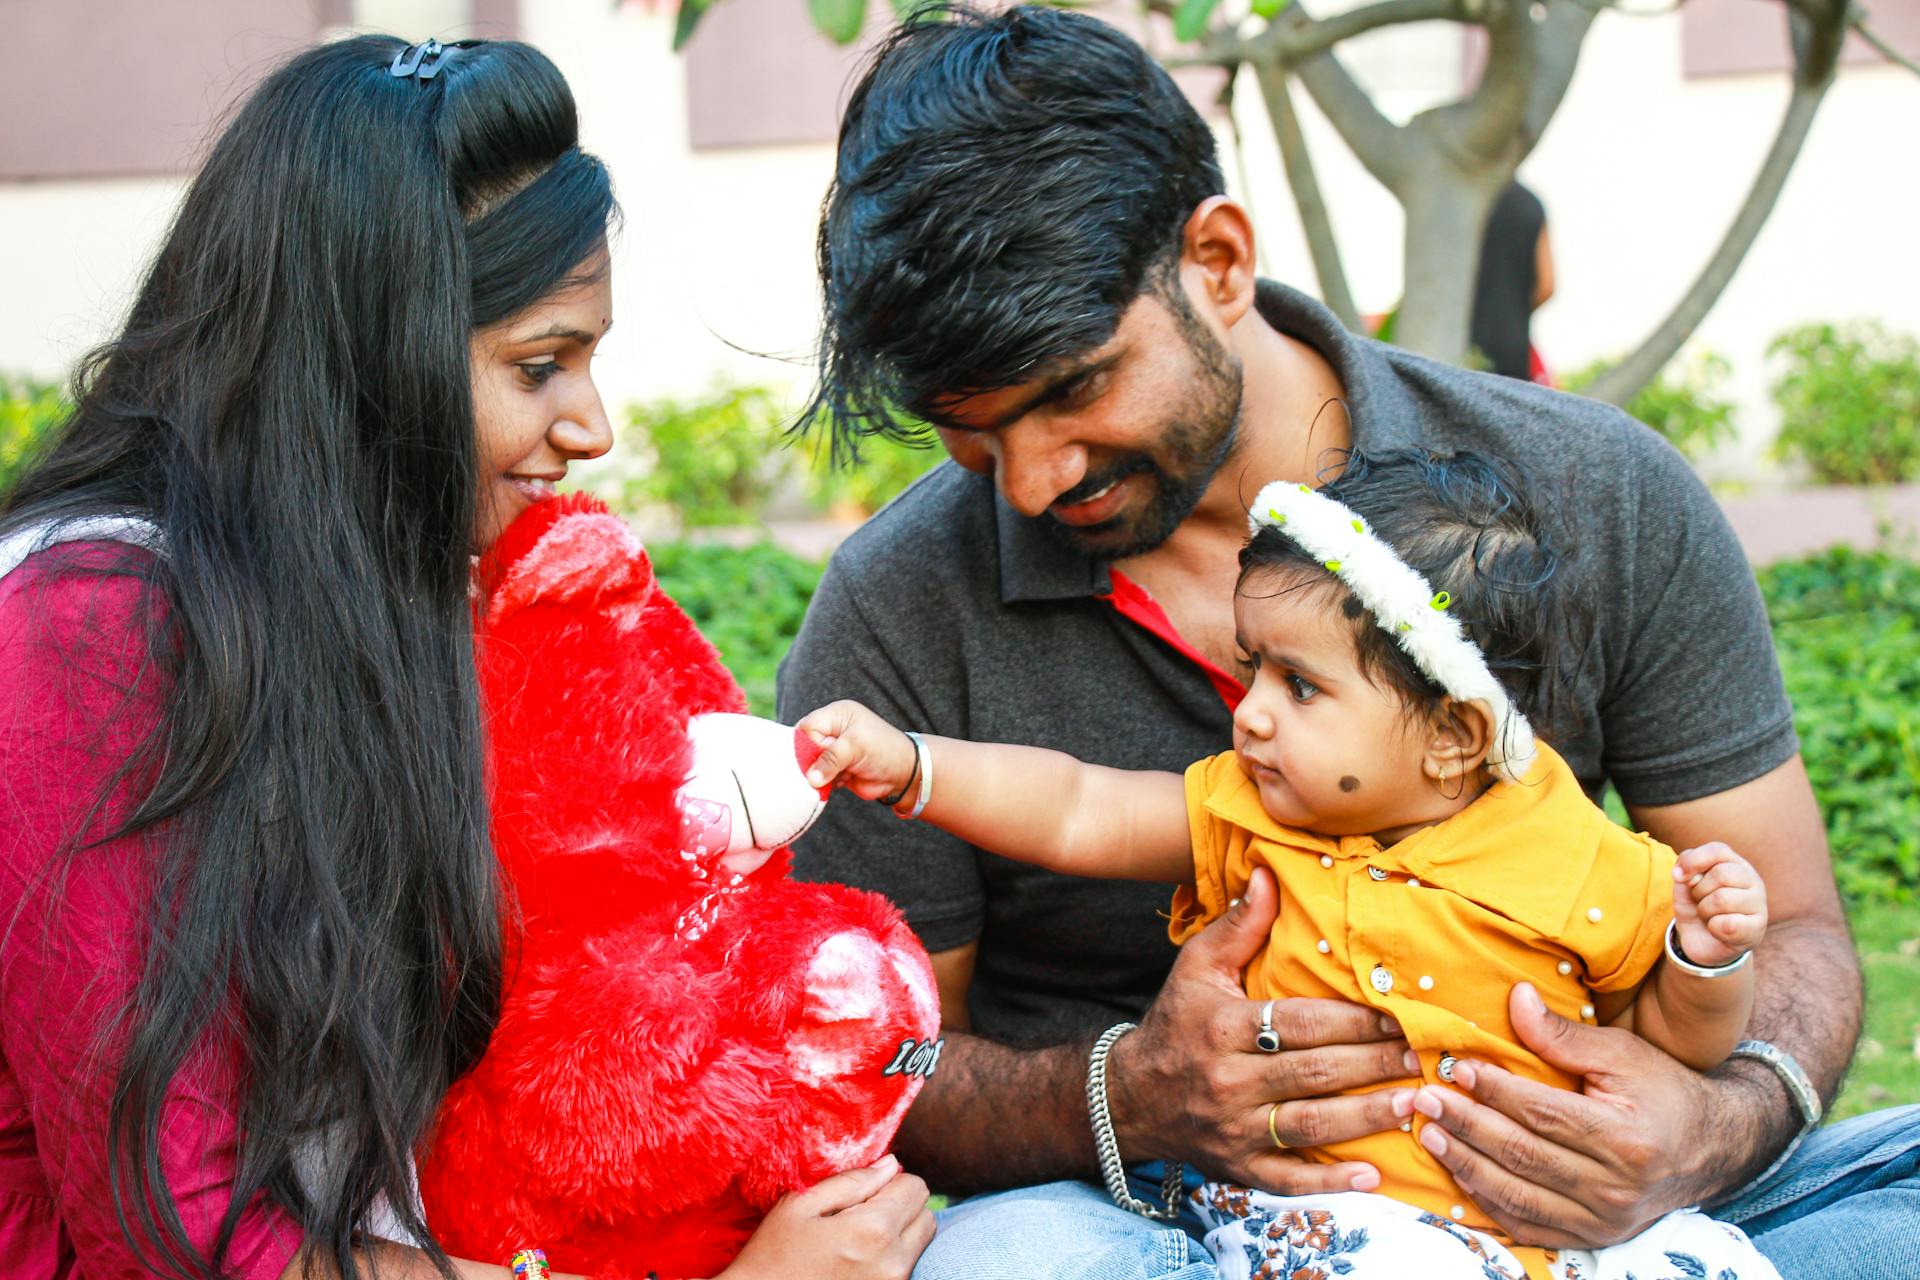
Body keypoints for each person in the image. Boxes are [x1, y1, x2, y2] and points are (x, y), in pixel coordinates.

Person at [776, 7, 1920, 1278]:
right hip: (1155, 1220)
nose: (1032, 480)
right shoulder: (895, 606)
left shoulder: (1596, 495)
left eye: (1074, 388)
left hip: (1572, 1214)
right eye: (971, 429)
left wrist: (1708, 1126)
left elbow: (1797, 930)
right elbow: (882, 1052)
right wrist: (1117, 1093)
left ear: (1216, 260)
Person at [0, 34, 929, 1280]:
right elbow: (188, 1234)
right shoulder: (86, 629)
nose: (591, 426)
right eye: (540, 364)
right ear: (362, 359)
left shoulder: (361, 582)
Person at [795, 448, 1782, 1280]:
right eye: (1255, 664)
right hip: (1328, 1228)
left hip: (1543, 1228)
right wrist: (917, 764)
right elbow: (1076, 805)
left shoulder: (1576, 856)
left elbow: (1676, 1046)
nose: (1250, 708)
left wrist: (1706, 961)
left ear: (1453, 733)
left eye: (1300, 684)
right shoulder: (1251, 809)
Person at [1469, 181, 1554, 383]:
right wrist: (1513, 314)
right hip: (1514, 346)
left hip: (1464, 339)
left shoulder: (1462, 197)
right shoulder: (1531, 204)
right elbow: (1546, 286)